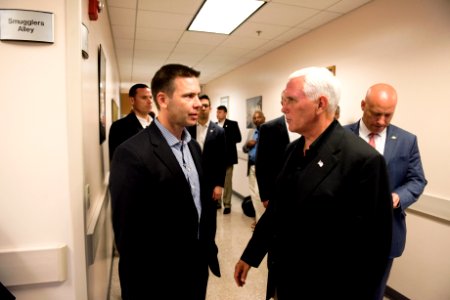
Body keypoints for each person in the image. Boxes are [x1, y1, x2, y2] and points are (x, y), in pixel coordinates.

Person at [234, 66, 393, 299]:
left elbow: (375, 248)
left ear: (320, 104)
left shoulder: (363, 160)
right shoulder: (292, 150)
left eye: (290, 100)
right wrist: (251, 255)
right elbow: (278, 210)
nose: (282, 107)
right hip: (286, 281)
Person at [109, 64, 220, 300]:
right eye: (189, 96)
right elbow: (128, 239)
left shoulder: (193, 146)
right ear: (163, 99)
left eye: (198, 95)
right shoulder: (131, 153)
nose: (198, 103)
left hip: (196, 270)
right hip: (157, 281)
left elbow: (200, 207)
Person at [344, 83, 427, 300]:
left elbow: (417, 180)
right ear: (363, 105)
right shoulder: (339, 136)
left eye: (388, 115)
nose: (381, 121)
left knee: (374, 293)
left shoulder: (407, 141)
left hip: (385, 234)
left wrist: (398, 197)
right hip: (343, 234)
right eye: (376, 114)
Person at [187, 94, 227, 204]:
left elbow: (222, 160)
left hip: (210, 183)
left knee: (209, 217)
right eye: (200, 106)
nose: (203, 108)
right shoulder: (187, 129)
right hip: (191, 182)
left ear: (210, 108)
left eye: (206, 106)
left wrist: (219, 185)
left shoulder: (219, 132)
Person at [108, 83, 155, 161]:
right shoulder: (119, 127)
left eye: (150, 97)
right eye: (144, 97)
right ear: (132, 100)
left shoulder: (160, 124)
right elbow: (117, 160)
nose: (149, 101)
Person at [216, 105, 242, 214]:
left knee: (227, 183)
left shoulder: (232, 124)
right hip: (216, 159)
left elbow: (238, 138)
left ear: (225, 113)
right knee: (217, 182)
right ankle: (217, 202)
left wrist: (225, 136)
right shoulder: (214, 125)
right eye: (217, 112)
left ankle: (227, 204)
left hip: (228, 158)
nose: (218, 114)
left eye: (220, 112)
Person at [242, 110, 265, 225]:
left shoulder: (268, 131)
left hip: (262, 168)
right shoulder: (251, 132)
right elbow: (244, 149)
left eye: (258, 117)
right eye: (254, 118)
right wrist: (247, 145)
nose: (256, 120)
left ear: (263, 118)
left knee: (259, 194)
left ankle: (262, 222)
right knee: (253, 194)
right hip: (251, 166)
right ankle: (257, 218)